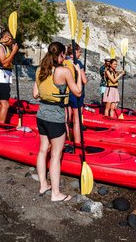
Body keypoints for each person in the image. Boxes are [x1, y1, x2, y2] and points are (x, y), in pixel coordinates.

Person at [32, 42, 82, 202]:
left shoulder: (40, 70)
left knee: (42, 150)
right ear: (61, 54)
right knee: (55, 154)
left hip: (41, 114)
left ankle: (43, 185)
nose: (65, 57)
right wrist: (79, 74)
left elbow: (35, 94)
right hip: (55, 115)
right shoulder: (64, 71)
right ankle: (55, 193)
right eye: (65, 55)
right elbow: (78, 92)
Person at [0, 30, 18, 123]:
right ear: (5, 37)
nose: (11, 42)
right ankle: (1, 127)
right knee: (5, 104)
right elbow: (4, 64)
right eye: (10, 40)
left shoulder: (1, 46)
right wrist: (14, 52)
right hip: (0, 78)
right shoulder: (0, 47)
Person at [65, 44, 88, 144]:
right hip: (76, 93)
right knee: (77, 121)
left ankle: (66, 141)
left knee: (67, 119)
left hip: (66, 93)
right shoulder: (77, 63)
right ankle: (77, 144)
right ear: (75, 52)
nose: (80, 53)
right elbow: (84, 80)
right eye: (79, 52)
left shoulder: (63, 62)